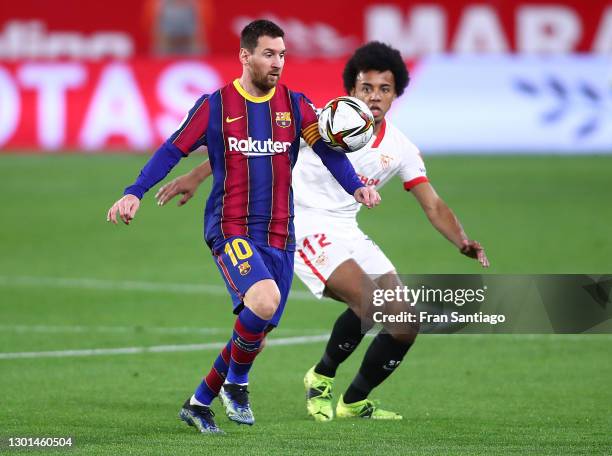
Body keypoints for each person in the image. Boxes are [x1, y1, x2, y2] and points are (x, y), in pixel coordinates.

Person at [155, 41, 489, 423]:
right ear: (352, 90)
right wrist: (197, 176)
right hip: (297, 225)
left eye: (384, 89)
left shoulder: (400, 148)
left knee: (405, 322)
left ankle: (353, 401)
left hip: (347, 230)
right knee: (358, 306)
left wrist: (461, 238)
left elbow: (433, 203)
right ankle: (310, 379)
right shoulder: (323, 122)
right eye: (367, 88)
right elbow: (249, 149)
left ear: (397, 94)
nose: (375, 97)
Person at [106, 20, 380, 434]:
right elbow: (172, 148)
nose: (278, 63)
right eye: (269, 54)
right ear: (245, 55)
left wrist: (356, 187)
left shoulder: (296, 105)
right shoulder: (214, 105)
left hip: (280, 235)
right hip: (230, 228)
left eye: (283, 55)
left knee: (257, 330)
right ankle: (236, 384)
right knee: (264, 302)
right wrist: (135, 191)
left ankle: (199, 402)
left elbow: (329, 153)